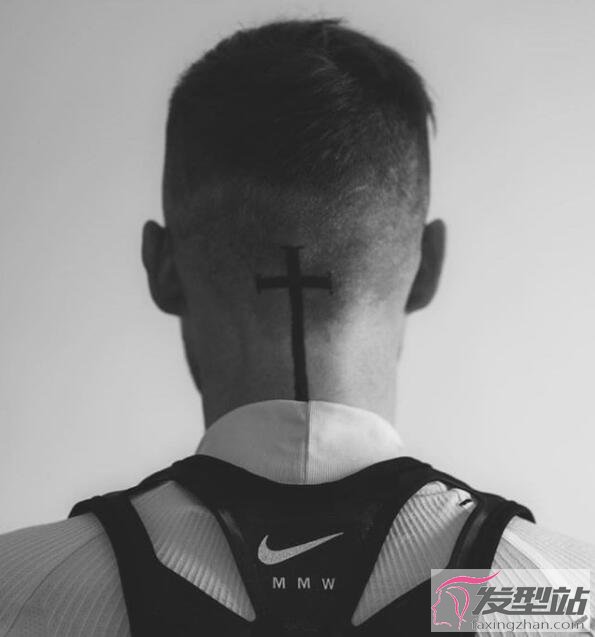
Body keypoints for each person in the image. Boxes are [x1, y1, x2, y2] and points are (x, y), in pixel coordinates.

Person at [0, 18, 592, 637]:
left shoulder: (19, 593)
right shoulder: (560, 602)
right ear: (427, 264)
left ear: (161, 266)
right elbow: (485, 609)